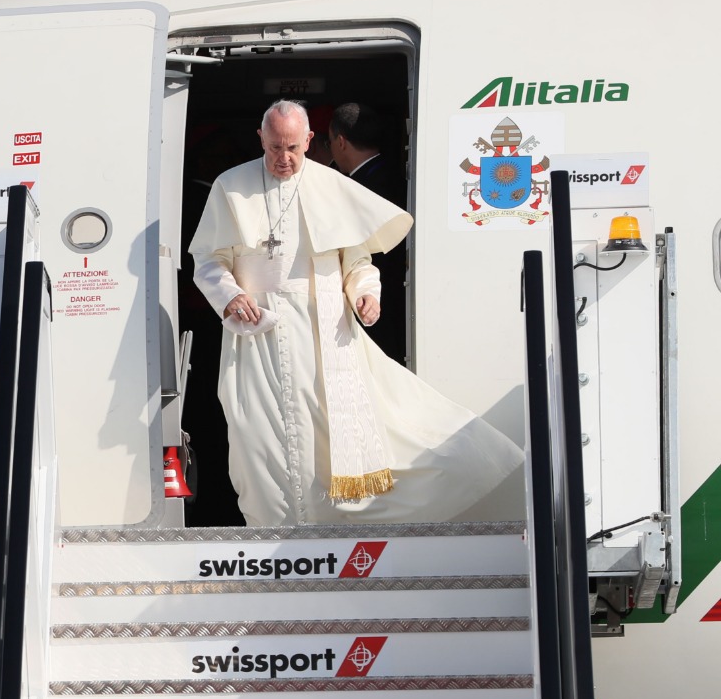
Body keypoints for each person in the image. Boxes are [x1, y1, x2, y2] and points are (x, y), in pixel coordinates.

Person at [188, 99, 522, 526]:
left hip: (323, 334)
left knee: (332, 437)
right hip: (257, 335)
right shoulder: (230, 185)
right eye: (274, 148)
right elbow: (208, 259)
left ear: (310, 140)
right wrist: (230, 295)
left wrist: (366, 293)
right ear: (260, 139)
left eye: (292, 148)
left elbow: (358, 262)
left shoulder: (330, 186)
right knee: (258, 438)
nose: (283, 158)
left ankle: (331, 530)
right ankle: (273, 534)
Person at [327, 103, 406, 362]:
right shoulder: (396, 176)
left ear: (340, 142)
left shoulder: (358, 189)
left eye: (329, 142)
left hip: (375, 300)